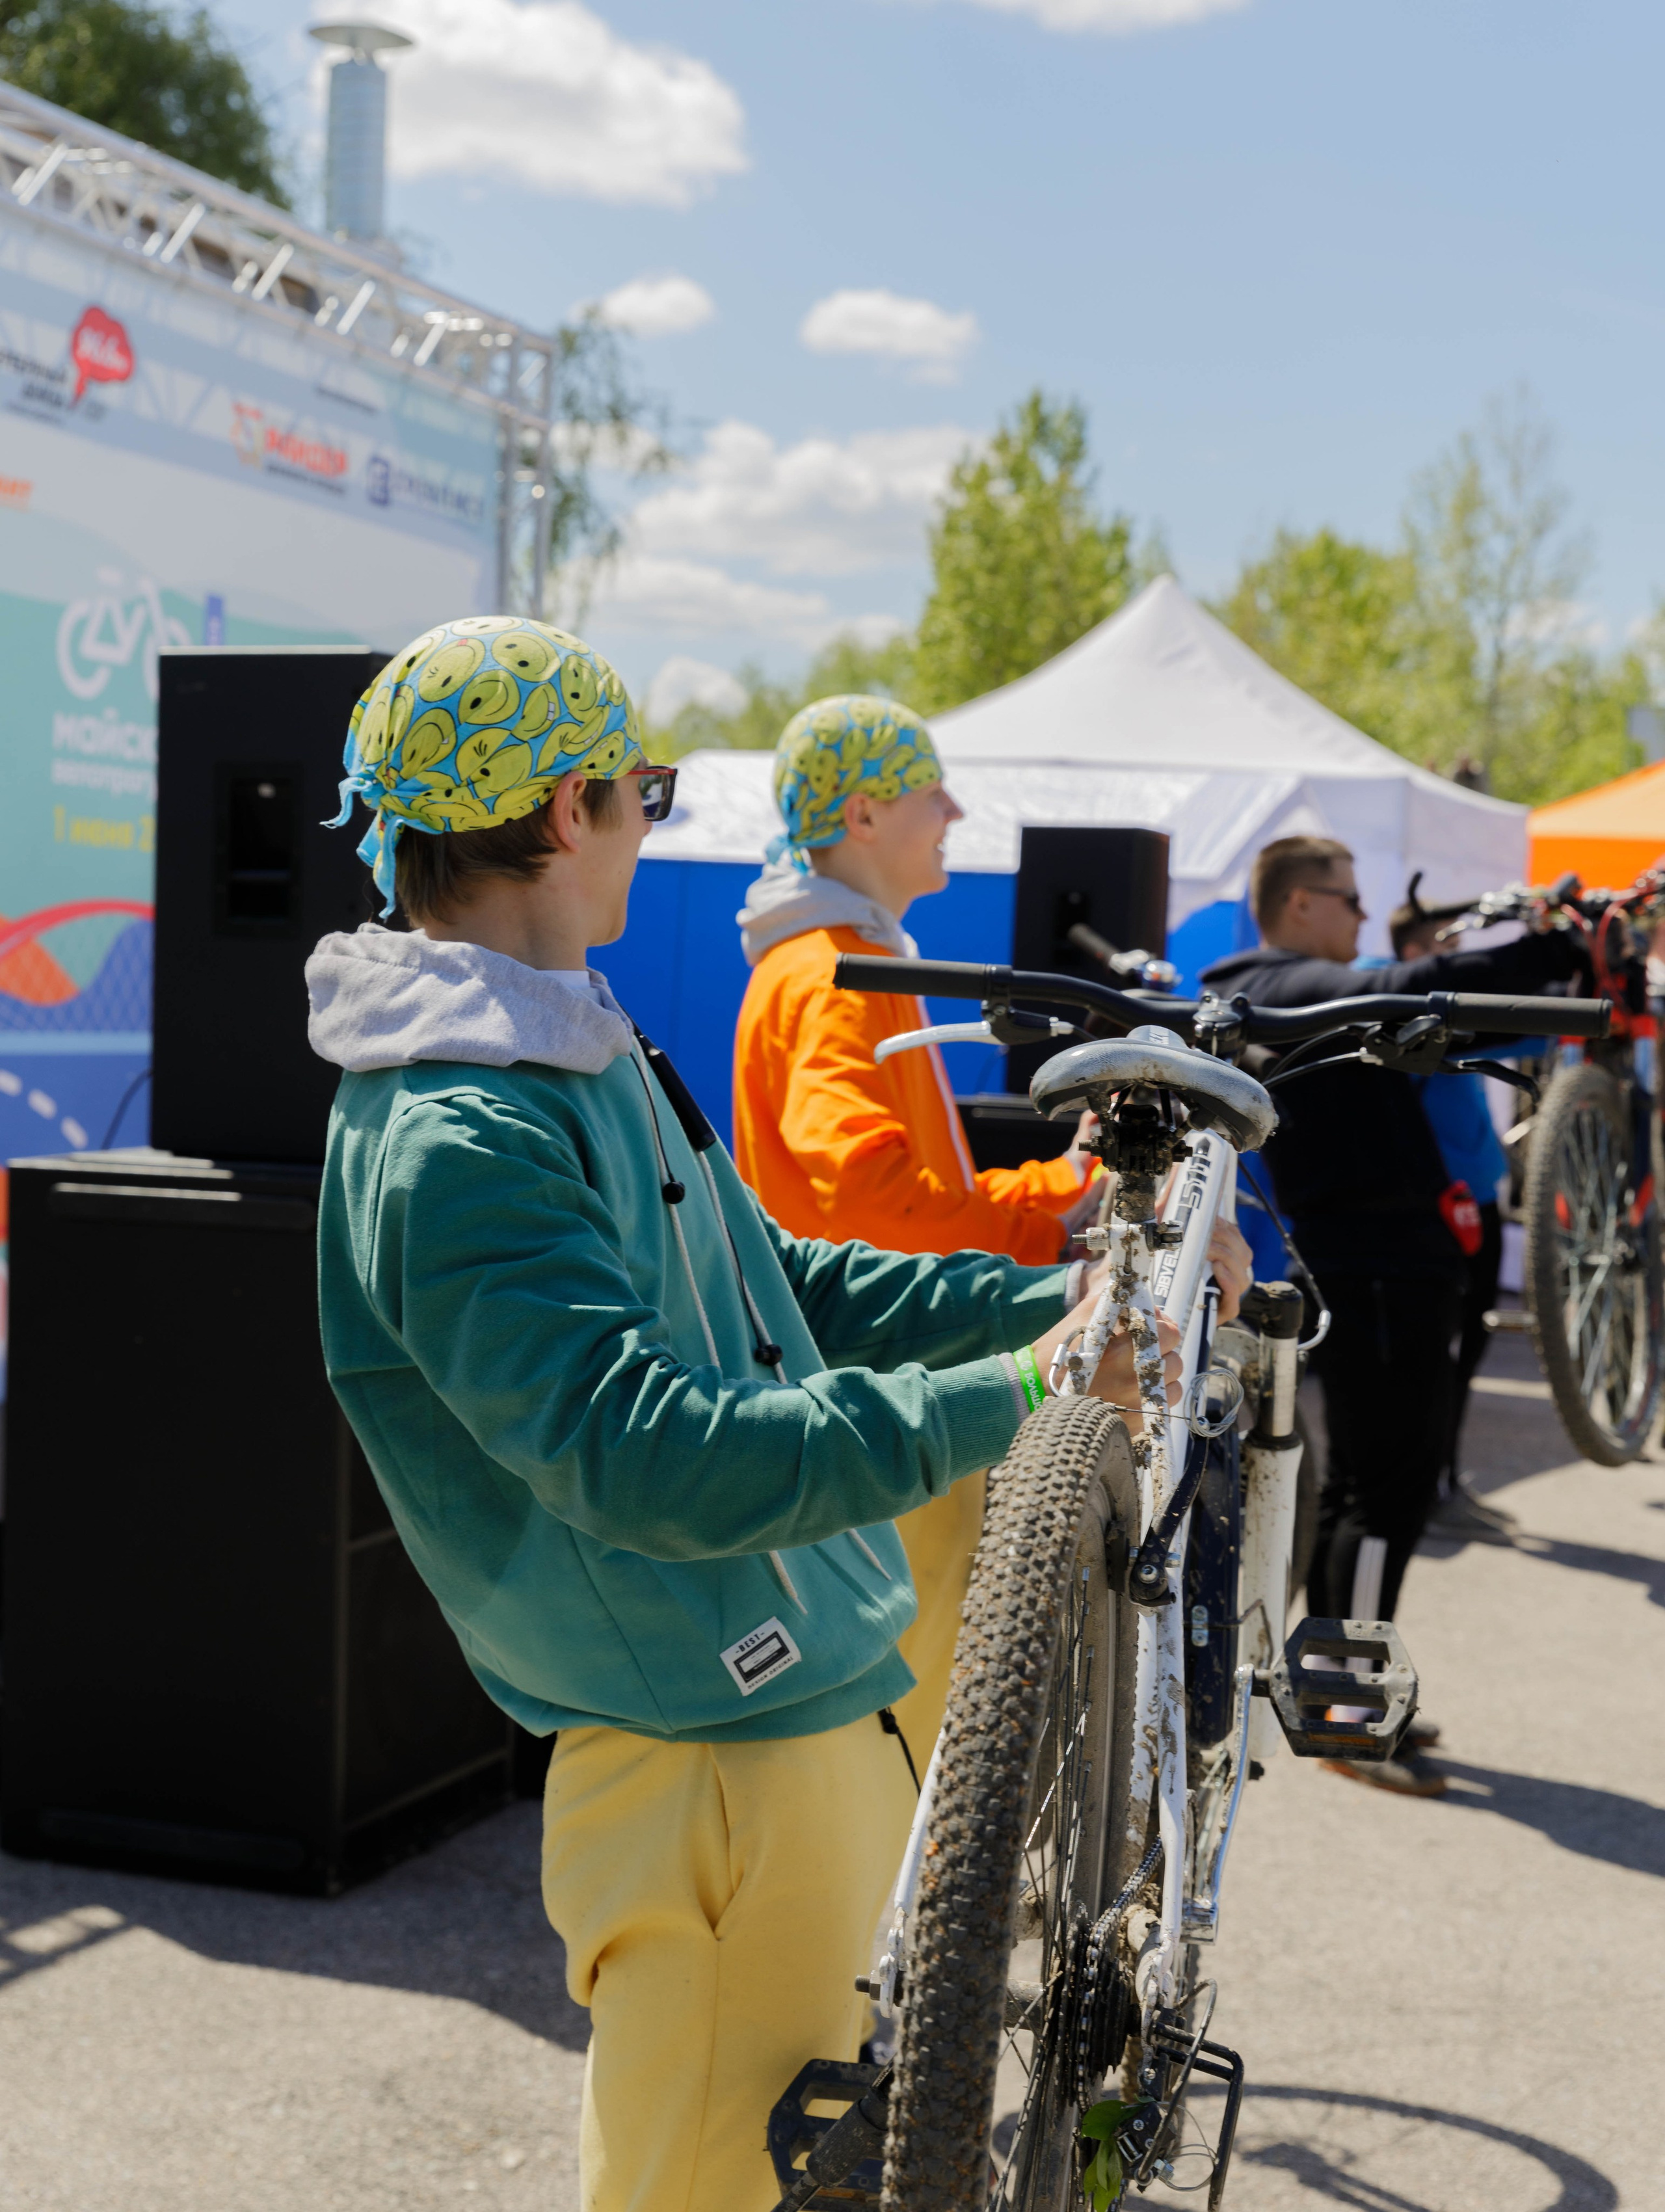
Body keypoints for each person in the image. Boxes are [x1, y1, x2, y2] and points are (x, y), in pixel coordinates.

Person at [304, 618, 1179, 2212]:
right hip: (707, 1757)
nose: (648, 825)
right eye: (640, 790)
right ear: (566, 809)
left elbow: (778, 1278)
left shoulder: (563, 1040)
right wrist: (1019, 1391)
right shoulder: (457, 1123)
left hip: (783, 1700)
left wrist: (1043, 1303)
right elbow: (649, 1455)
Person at [733, 694, 1118, 1757]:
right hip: (890, 1380)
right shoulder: (835, 974)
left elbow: (889, 1188)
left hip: (871, 1371)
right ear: (861, 815)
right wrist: (1047, 1214)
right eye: (929, 790)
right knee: (917, 1716)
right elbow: (866, 1193)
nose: (954, 810)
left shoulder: (829, 960)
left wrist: (1053, 1187)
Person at [1201, 836, 1580, 1798]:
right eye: (1349, 898)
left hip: (1385, 1267)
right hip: (1373, 1271)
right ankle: (1346, 1718)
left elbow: (1435, 1009)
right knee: (1384, 1496)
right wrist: (1546, 945)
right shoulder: (1273, 982)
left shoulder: (1286, 992)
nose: (1363, 918)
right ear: (1298, 904)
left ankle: (1339, 1691)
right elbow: (1412, 981)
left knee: (1367, 1491)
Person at [1380, 896, 1517, 1544]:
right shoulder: (1404, 1009)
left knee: (1466, 1350)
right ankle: (1424, 1488)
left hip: (1477, 1201)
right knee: (1436, 1355)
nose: (1456, 957)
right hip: (1435, 1208)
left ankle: (1444, 1479)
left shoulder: (1451, 1009)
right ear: (1413, 953)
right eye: (1445, 945)